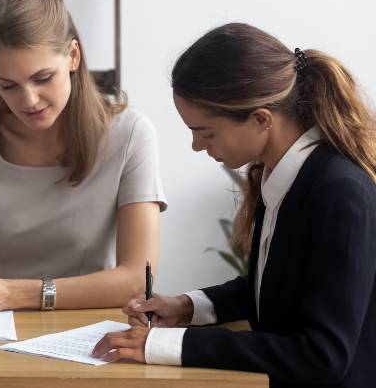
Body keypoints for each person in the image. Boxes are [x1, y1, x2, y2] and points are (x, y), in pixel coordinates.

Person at [91, 23, 376, 388]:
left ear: (260, 119)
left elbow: (322, 356)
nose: (196, 146)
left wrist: (166, 344)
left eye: (205, 132)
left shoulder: (339, 192)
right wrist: (187, 306)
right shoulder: (280, 176)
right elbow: (276, 288)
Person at [0, 0, 166, 315]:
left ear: (73, 56)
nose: (28, 100)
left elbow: (137, 280)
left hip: (90, 327)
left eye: (43, 78)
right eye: (7, 86)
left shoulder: (130, 134)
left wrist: (13, 294)